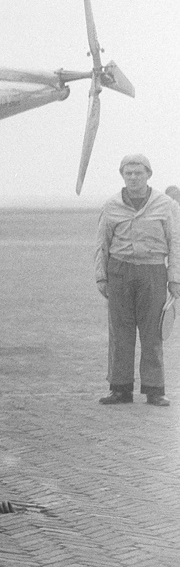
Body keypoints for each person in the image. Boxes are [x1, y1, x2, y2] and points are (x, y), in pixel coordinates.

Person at [95, 154, 180, 407]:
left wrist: (175, 278)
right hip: (119, 272)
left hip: (153, 272)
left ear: (148, 175)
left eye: (138, 173)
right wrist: (101, 276)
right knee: (120, 333)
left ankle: (155, 389)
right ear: (122, 175)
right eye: (128, 173)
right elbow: (102, 244)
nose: (133, 177)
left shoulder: (166, 205)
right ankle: (120, 389)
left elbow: (176, 243)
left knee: (153, 332)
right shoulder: (111, 205)